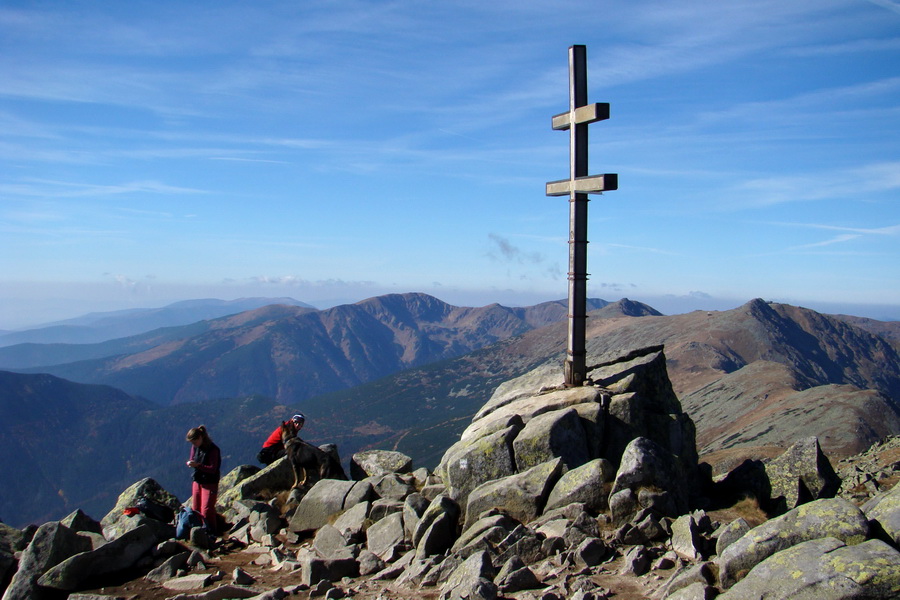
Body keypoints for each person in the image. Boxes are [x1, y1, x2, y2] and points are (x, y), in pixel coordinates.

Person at [186, 425, 221, 534]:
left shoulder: (213, 450)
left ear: (201, 437)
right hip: (198, 480)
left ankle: (212, 533)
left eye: (195, 441)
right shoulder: (195, 447)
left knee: (206, 510)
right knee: (196, 508)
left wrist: (197, 465)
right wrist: (192, 463)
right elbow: (193, 458)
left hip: (209, 482)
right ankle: (199, 532)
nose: (194, 444)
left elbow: (213, 469)